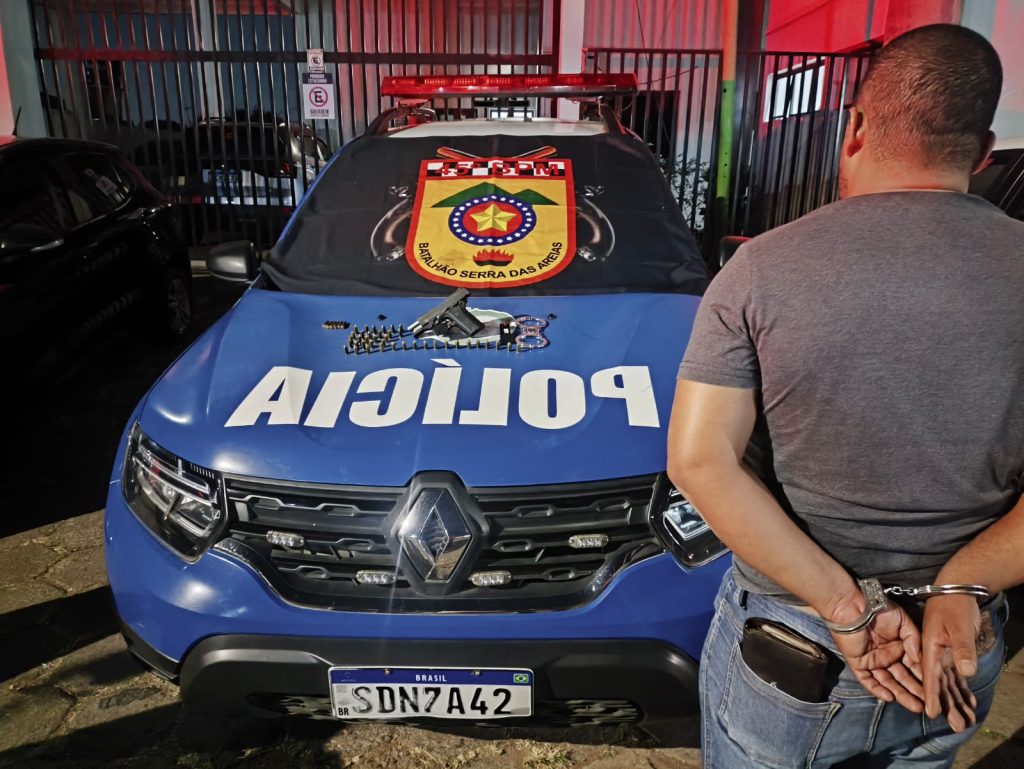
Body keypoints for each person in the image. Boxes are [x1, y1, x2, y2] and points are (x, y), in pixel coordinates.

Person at [668, 24, 1023, 769]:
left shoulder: (758, 270)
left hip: (801, 646)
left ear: (855, 127)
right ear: (983, 150)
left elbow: (700, 461)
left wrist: (847, 606)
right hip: (956, 645)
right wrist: (963, 583)